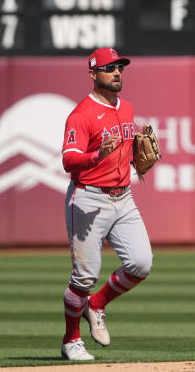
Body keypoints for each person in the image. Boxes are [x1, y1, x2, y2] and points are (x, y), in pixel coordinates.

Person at [59, 48, 154, 361]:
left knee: (141, 263)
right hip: (88, 199)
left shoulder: (125, 108)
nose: (117, 73)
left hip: (123, 198)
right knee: (84, 278)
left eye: (120, 67)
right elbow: (69, 161)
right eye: (109, 68)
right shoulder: (81, 114)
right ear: (92, 74)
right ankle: (71, 340)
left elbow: (127, 152)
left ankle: (96, 305)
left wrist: (139, 163)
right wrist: (97, 156)